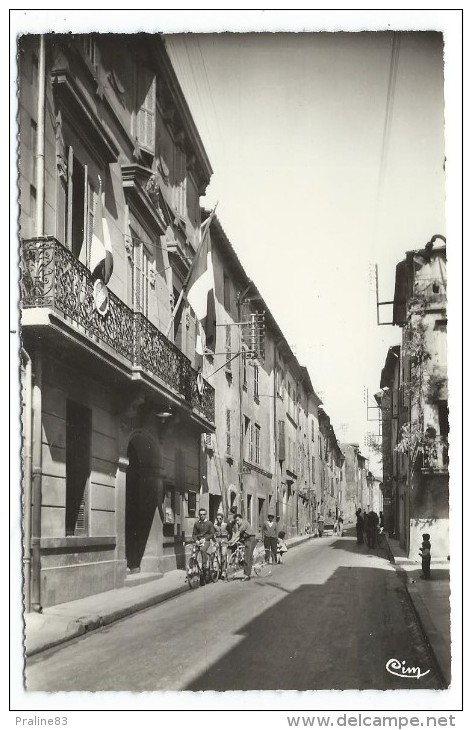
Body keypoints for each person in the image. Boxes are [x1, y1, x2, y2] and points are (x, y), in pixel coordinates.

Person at [229, 513, 256, 581]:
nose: (237, 522)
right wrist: (232, 542)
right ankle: (245, 566)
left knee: (247, 557)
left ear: (241, 519)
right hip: (245, 539)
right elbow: (238, 536)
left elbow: (237, 533)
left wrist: (232, 540)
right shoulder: (240, 524)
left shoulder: (244, 523)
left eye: (238, 520)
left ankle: (247, 575)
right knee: (244, 554)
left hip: (250, 539)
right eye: (236, 521)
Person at [192, 507, 215, 576]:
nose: (202, 516)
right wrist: (196, 540)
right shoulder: (196, 523)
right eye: (201, 514)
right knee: (194, 552)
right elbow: (194, 534)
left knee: (202, 550)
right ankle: (192, 567)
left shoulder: (209, 523)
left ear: (206, 515)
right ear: (199, 515)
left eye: (203, 514)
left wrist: (205, 539)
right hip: (198, 541)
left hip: (206, 541)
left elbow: (212, 534)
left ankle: (204, 567)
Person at [213, 512, 229, 578]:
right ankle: (218, 570)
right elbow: (213, 533)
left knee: (223, 555)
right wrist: (214, 541)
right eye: (217, 518)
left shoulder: (225, 524)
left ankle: (224, 571)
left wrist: (229, 540)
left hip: (224, 540)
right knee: (216, 555)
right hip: (217, 540)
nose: (218, 520)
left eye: (220, 518)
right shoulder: (215, 525)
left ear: (222, 519)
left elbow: (230, 532)